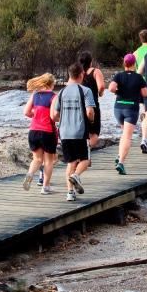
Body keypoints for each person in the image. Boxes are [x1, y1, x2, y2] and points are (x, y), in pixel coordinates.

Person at [51, 63, 97, 202]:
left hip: (64, 132)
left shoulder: (61, 92)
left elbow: (54, 115)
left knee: (70, 162)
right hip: (80, 131)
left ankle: (70, 193)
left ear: (69, 75)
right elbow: (90, 112)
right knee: (85, 160)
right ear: (81, 74)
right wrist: (92, 121)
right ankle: (76, 176)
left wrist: (65, 119)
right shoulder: (85, 91)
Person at [109, 54, 147, 174]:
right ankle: (121, 162)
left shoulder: (119, 75)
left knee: (124, 134)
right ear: (134, 64)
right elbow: (145, 93)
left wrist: (119, 91)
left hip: (118, 108)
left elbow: (111, 88)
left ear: (124, 64)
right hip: (131, 109)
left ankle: (119, 154)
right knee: (127, 136)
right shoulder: (138, 77)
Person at [23, 73, 58, 194]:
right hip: (47, 131)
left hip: (33, 131)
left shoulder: (35, 94)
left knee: (37, 159)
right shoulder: (54, 97)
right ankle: (45, 187)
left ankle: (29, 175)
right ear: (51, 84)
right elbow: (53, 116)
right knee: (48, 161)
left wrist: (36, 115)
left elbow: (26, 112)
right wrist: (59, 119)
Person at [78, 51, 105, 146]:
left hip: (80, 106)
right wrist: (101, 93)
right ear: (91, 61)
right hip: (92, 105)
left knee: (84, 131)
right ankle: (87, 152)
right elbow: (101, 86)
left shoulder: (79, 73)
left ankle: (81, 153)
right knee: (94, 133)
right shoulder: (95, 71)